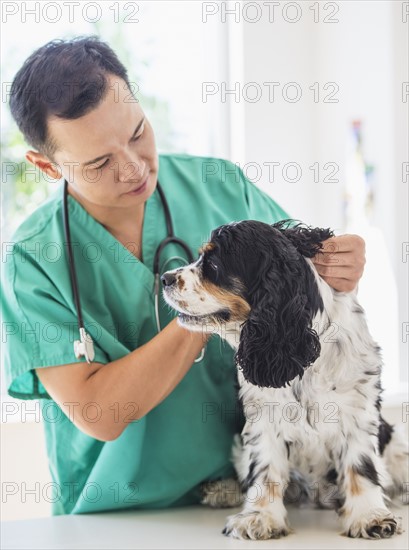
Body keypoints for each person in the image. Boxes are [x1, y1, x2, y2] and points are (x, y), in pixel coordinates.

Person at [2, 36, 366, 516]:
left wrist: (343, 263)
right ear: (47, 165)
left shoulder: (220, 185)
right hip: (115, 517)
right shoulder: (32, 259)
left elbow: (310, 293)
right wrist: (202, 309)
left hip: (254, 494)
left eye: (136, 133)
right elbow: (99, 413)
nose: (133, 168)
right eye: (99, 162)